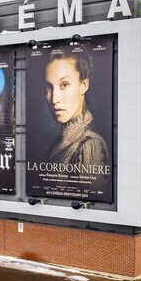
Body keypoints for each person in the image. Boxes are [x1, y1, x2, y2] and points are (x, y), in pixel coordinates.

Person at [42, 47, 110, 183]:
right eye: (49, 87)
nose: (55, 99)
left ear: (84, 84)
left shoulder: (90, 145)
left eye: (64, 84)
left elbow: (90, 203)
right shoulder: (58, 144)